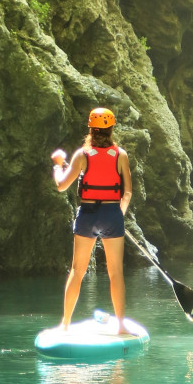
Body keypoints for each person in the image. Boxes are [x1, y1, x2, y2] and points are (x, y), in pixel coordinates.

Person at [51, 108, 134, 333]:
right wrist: (119, 215)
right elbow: (127, 193)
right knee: (115, 272)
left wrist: (59, 164)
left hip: (87, 215)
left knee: (77, 271)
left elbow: (61, 186)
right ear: (111, 129)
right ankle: (120, 327)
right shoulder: (121, 155)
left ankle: (65, 324)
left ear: (90, 128)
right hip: (112, 215)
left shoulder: (81, 155)